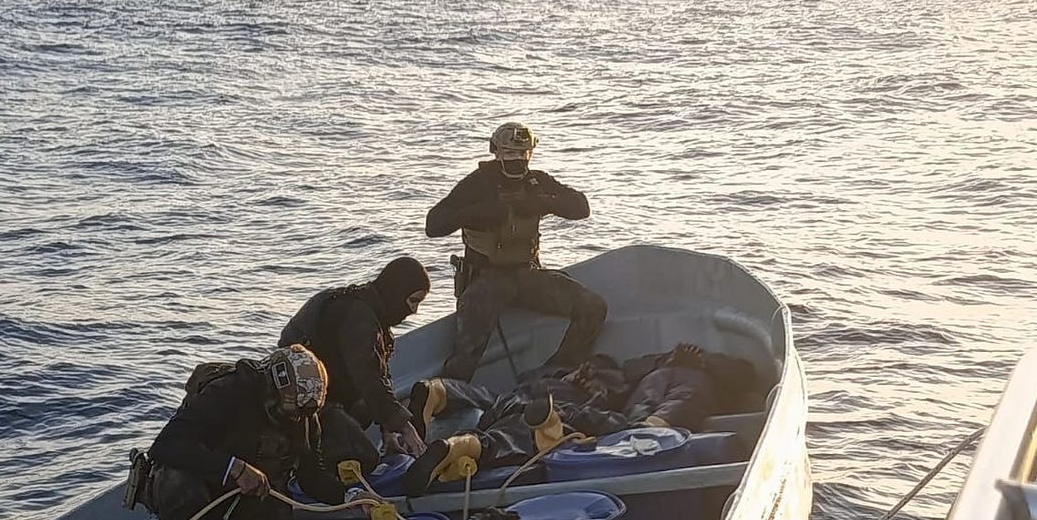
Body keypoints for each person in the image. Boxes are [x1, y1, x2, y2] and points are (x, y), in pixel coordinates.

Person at [141, 344, 375, 520]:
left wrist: (351, 495)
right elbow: (165, 446)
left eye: (304, 413)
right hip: (204, 485)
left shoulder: (305, 416)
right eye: (291, 411)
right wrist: (232, 468)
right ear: (272, 392)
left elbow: (312, 476)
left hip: (254, 495)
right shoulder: (227, 392)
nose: (296, 418)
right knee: (179, 482)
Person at [400, 343, 759, 495]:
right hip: (558, 403)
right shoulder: (636, 376)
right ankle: (467, 446)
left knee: (503, 406)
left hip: (529, 395)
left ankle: (438, 390)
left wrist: (682, 360)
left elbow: (743, 374)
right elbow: (628, 401)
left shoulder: (684, 378)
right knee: (537, 427)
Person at [425, 122, 608, 382]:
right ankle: (447, 394)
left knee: (593, 307)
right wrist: (479, 213)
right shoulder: (477, 184)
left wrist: (543, 203)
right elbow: (433, 224)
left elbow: (581, 207)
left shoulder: (536, 182)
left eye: (523, 154)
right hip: (486, 279)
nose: (517, 160)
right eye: (510, 153)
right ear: (496, 153)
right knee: (467, 353)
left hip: (527, 275)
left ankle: (555, 374)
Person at [279, 257, 432, 459]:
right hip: (304, 405)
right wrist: (406, 429)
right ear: (397, 293)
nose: (414, 311)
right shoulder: (359, 318)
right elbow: (368, 379)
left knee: (370, 408)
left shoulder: (376, 315)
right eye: (413, 301)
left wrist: (389, 431)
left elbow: (380, 375)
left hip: (336, 391)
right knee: (366, 458)